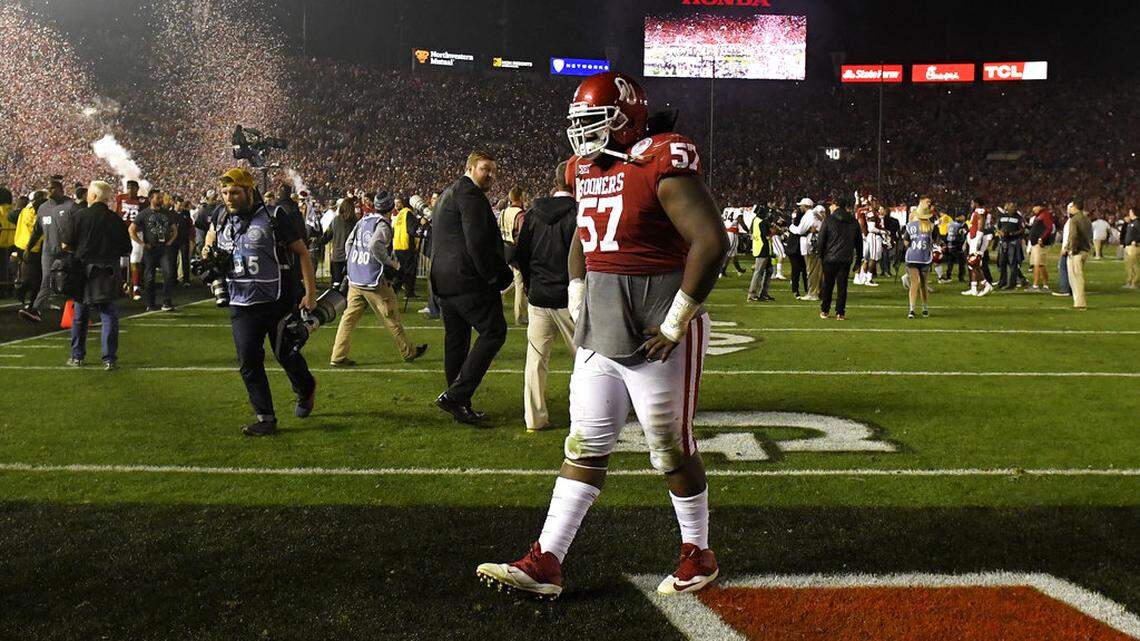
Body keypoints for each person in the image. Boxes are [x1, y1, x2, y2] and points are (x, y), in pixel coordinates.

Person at [477, 72, 729, 600]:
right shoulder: (585, 167)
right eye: (580, 122)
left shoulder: (662, 158)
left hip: (655, 324)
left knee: (670, 450)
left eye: (595, 120)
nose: (584, 132)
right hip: (602, 328)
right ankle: (546, 560)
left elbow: (711, 240)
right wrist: (576, 295)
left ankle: (697, 552)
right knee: (584, 442)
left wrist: (677, 319)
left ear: (627, 118)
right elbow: (581, 236)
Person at [211, 167, 319, 436]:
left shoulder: (274, 216)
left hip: (277, 301)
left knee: (286, 354)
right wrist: (208, 255)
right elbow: (212, 241)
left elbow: (302, 253)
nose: (229, 198)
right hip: (240, 302)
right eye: (224, 193)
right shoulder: (221, 216)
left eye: (234, 192)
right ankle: (266, 418)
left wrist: (310, 293)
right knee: (248, 361)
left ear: (250, 191)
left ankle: (306, 387)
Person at [429, 150, 513, 425]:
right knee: (494, 331)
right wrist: (495, 276)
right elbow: (477, 243)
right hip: (467, 282)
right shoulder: (470, 195)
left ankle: (458, 402)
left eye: (493, 171)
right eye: (485, 169)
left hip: (445, 283)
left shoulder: (449, 193)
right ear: (471, 167)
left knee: (457, 341)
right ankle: (456, 396)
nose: (490, 175)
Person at [329, 191, 427, 366]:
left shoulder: (363, 220)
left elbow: (348, 243)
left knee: (349, 318)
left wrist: (353, 262)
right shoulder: (383, 225)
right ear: (390, 207)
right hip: (373, 280)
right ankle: (408, 351)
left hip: (355, 278)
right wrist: (391, 264)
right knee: (391, 316)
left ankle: (337, 355)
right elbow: (375, 245)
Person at [514, 163, 577, 433]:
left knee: (536, 361)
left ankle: (534, 419)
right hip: (569, 299)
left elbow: (520, 256)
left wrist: (529, 284)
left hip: (539, 297)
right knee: (587, 362)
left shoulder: (533, 214)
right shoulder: (578, 213)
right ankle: (587, 414)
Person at [61, 181, 132, 369]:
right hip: (108, 271)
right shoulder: (115, 219)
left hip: (83, 270)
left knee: (80, 314)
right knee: (108, 314)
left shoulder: (79, 216)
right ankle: (109, 359)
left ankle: (77, 356)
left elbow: (65, 245)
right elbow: (127, 248)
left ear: (92, 196)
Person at [21, 180, 74, 322]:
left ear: (60, 189)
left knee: (70, 281)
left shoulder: (71, 206)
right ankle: (36, 310)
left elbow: (80, 228)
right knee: (46, 280)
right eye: (48, 189)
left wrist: (70, 242)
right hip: (49, 251)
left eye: (52, 189)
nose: (49, 192)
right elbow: (37, 231)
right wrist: (28, 247)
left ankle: (82, 309)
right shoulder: (43, 208)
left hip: (69, 251)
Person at [131, 190, 179, 312]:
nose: (161, 200)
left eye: (161, 198)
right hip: (150, 249)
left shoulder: (167, 213)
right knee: (149, 277)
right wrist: (142, 243)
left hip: (164, 249)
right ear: (151, 199)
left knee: (168, 274)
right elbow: (131, 230)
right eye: (158, 198)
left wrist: (170, 241)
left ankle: (167, 302)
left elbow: (174, 229)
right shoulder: (144, 214)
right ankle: (150, 303)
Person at [816, 196, 862, 320]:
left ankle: (825, 310)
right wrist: (858, 260)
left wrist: (819, 254)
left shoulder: (828, 220)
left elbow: (821, 239)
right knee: (842, 286)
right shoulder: (853, 221)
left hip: (829, 258)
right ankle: (840, 313)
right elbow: (859, 243)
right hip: (846, 258)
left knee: (828, 284)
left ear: (836, 205)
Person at [12, 190, 47, 311]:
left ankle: (23, 292)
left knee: (30, 274)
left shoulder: (25, 210)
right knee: (37, 277)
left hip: (21, 245)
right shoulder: (38, 212)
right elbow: (38, 231)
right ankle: (31, 302)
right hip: (33, 247)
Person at [903, 197, 938, 318]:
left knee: (914, 284)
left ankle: (912, 310)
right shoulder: (931, 227)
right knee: (923, 284)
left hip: (912, 256)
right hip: (925, 257)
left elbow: (906, 243)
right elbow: (934, 241)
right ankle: (925, 308)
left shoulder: (910, 225)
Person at [498, 186, 529, 325]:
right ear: (520, 197)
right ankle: (519, 316)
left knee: (512, 281)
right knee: (520, 284)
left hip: (505, 250)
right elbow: (523, 236)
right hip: (516, 253)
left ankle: (499, 296)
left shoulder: (503, 212)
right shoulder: (520, 214)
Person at [114, 180, 147, 300]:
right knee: (121, 261)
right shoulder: (120, 198)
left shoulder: (143, 201)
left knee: (135, 259)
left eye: (132, 188)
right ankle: (122, 284)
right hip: (122, 231)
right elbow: (116, 213)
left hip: (137, 232)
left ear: (137, 189)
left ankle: (136, 287)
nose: (130, 190)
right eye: (128, 187)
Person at [1062, 199, 1093, 310]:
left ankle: (1079, 303)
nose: (1069, 209)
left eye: (1071, 207)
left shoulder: (1074, 220)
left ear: (1075, 207)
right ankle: (1078, 301)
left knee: (1075, 278)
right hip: (1085, 250)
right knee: (1077, 276)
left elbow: (1073, 236)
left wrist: (1071, 249)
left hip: (1077, 251)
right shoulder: (1086, 219)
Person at [963, 198, 995, 297]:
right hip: (973, 238)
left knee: (974, 262)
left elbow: (981, 225)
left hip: (977, 238)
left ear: (976, 203)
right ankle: (973, 288)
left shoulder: (980, 211)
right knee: (971, 263)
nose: (971, 204)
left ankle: (986, 284)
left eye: (973, 202)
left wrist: (977, 239)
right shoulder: (975, 212)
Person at [392, 195, 420, 298]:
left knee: (402, 270)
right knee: (409, 271)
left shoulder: (399, 215)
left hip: (398, 246)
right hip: (406, 246)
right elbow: (412, 230)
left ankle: (395, 289)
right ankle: (408, 292)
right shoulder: (408, 213)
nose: (396, 205)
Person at [746, 206, 775, 302]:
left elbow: (751, 234)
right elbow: (768, 236)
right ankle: (752, 294)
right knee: (758, 272)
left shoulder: (755, 220)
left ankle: (763, 294)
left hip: (758, 248)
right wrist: (773, 231)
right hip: (763, 249)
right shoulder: (763, 222)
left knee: (769, 270)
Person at [996, 201, 1026, 290]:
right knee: (1002, 263)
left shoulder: (1019, 218)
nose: (1012, 208)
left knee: (1013, 264)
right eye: (1010, 206)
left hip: (1013, 242)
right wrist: (1000, 232)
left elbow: (1022, 230)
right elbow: (998, 227)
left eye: (1012, 206)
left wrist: (1012, 234)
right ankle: (1002, 282)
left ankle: (1012, 284)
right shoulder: (1002, 217)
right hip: (1003, 242)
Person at [787, 198, 813, 299]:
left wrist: (791, 227)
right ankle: (797, 290)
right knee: (798, 270)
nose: (800, 207)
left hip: (798, 246)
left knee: (802, 270)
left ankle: (803, 290)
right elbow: (799, 229)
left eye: (801, 205)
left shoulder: (806, 215)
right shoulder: (803, 215)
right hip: (796, 246)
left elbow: (797, 229)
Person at [1027, 205, 1054, 292]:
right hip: (1035, 244)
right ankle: (1045, 286)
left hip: (1040, 244)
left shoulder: (1044, 215)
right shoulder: (1039, 216)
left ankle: (1036, 286)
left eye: (1034, 207)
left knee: (1038, 264)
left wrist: (1041, 238)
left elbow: (1049, 228)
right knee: (1040, 265)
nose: (1033, 209)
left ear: (1040, 207)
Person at [1122, 208, 1139, 289]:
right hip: (1128, 246)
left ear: (1133, 212)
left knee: (1134, 265)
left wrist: (1136, 240)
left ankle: (1135, 283)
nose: (1129, 213)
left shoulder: (1137, 222)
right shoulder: (1131, 223)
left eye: (1130, 212)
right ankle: (1129, 281)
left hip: (1133, 247)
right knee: (1129, 266)